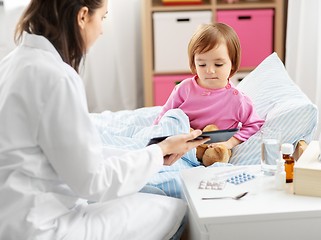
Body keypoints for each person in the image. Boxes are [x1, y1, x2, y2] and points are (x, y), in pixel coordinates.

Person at [0, 0, 209, 239]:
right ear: (82, 16)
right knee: (174, 209)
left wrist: (155, 152)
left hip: (14, 219)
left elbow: (73, 155)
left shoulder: (13, 62)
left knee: (149, 191)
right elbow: (93, 182)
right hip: (44, 227)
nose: (101, 29)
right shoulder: (57, 78)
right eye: (103, 18)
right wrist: (157, 151)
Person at [154, 22, 265, 152]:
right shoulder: (184, 89)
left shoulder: (238, 100)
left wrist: (230, 143)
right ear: (194, 64)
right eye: (202, 65)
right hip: (184, 148)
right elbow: (164, 118)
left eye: (218, 64)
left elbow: (254, 124)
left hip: (214, 151)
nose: (210, 71)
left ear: (233, 64)